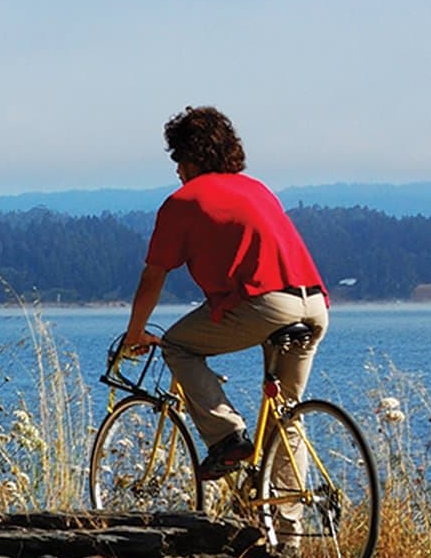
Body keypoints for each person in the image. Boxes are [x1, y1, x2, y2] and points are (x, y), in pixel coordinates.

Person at [120, 106, 328, 484]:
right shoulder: (258, 189)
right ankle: (285, 534)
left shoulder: (184, 202)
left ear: (192, 158)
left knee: (178, 345)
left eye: (178, 159)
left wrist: (135, 332)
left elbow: (153, 277)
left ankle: (227, 436)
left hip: (265, 303)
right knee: (286, 416)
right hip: (313, 302)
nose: (177, 170)